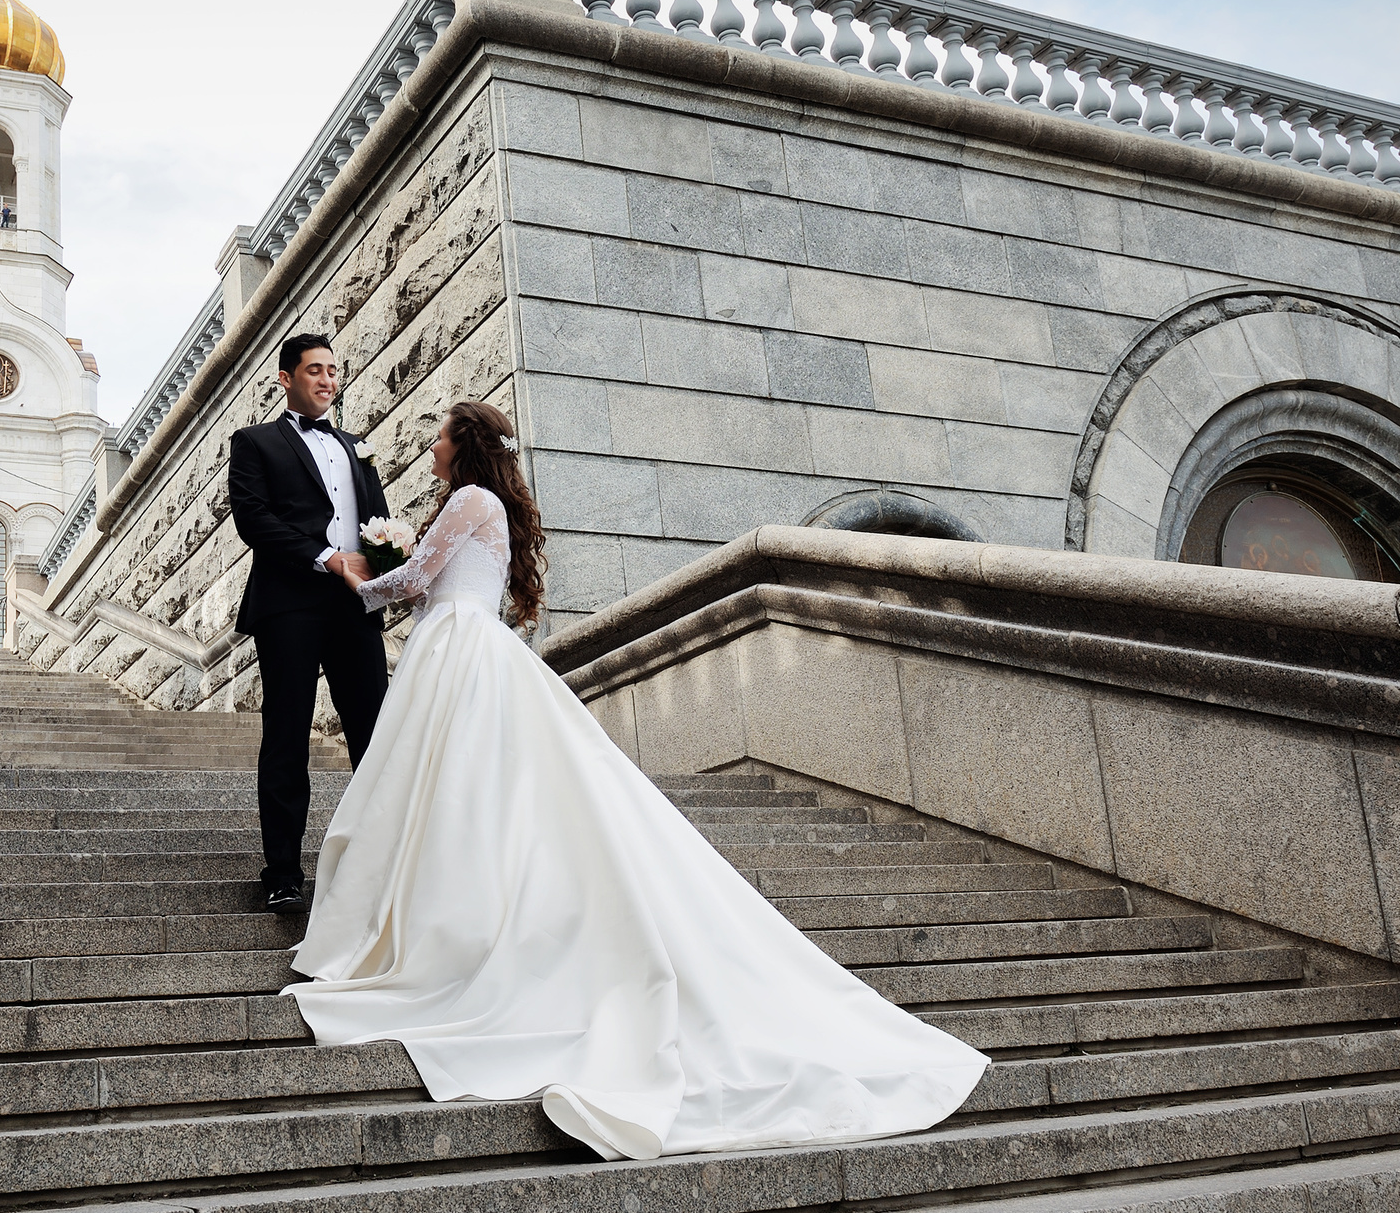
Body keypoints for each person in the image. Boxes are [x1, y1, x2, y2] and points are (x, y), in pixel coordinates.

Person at [293, 398, 988, 1159]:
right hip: (474, 648)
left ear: (463, 446)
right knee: (477, 798)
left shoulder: (467, 498)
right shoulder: (491, 502)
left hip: (455, 650)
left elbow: (421, 578)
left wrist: (357, 571)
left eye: (438, 436)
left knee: (456, 797)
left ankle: (444, 928)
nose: (429, 446)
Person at [226, 333, 393, 916]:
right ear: (286, 378)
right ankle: (282, 872)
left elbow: (378, 521)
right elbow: (252, 518)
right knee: (288, 735)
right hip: (291, 603)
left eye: (333, 370)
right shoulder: (253, 443)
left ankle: (384, 862)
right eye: (315, 370)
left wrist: (385, 570)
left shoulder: (357, 447)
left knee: (376, 736)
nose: (327, 380)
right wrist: (323, 557)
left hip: (354, 607)